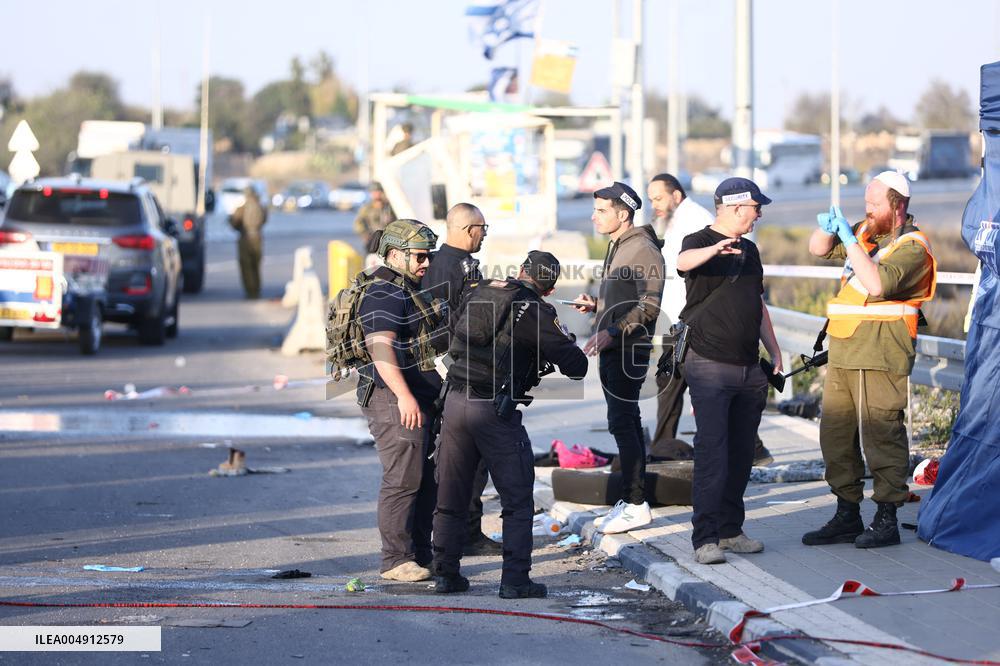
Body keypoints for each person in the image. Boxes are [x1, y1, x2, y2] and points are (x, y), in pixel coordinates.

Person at [432, 251, 588, 598]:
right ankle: (515, 580)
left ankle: (446, 574)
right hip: (493, 412)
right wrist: (563, 339)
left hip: (454, 402)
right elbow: (577, 366)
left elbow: (450, 334)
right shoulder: (534, 310)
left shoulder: (481, 291)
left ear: (520, 271)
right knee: (517, 499)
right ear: (550, 289)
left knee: (451, 494)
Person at [802, 171, 936, 549]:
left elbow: (877, 285)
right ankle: (847, 513)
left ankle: (887, 517)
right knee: (836, 437)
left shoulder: (913, 248)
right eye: (866, 204)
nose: (867, 210)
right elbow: (817, 249)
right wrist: (831, 230)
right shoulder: (865, 234)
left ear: (898, 206)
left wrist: (850, 240)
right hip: (844, 350)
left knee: (882, 435)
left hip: (881, 353)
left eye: (875, 204)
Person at [675, 177, 782, 565]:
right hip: (707, 364)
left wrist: (773, 349)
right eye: (756, 207)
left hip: (749, 368)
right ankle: (705, 539)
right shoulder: (697, 241)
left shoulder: (751, 250)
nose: (759, 214)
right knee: (712, 453)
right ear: (736, 207)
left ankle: (731, 530)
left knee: (740, 455)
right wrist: (714, 250)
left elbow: (758, 304)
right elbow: (682, 263)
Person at [573, 182, 665, 535]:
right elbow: (625, 300)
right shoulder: (619, 245)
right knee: (619, 424)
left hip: (628, 349)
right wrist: (597, 307)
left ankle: (638, 503)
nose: (594, 216)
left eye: (601, 210)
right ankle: (629, 499)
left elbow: (650, 305)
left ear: (622, 213)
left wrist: (611, 331)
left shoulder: (642, 248)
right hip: (614, 347)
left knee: (625, 424)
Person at [357, 219, 444, 582]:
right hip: (393, 398)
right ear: (394, 255)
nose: (426, 264)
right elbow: (380, 348)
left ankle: (419, 554)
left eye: (428, 256)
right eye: (419, 257)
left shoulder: (406, 288)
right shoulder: (384, 292)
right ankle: (394, 561)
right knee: (403, 479)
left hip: (414, 398)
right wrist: (405, 396)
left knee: (424, 479)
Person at [419, 203, 500, 557]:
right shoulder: (457, 268)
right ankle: (463, 532)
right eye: (483, 228)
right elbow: (445, 326)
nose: (484, 234)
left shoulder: (437, 262)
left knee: (456, 457)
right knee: (471, 456)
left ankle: (452, 532)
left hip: (443, 373)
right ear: (470, 229)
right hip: (453, 375)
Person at [647, 173, 713, 460]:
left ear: (676, 195)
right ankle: (662, 447)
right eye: (651, 200)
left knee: (699, 387)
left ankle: (751, 447)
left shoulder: (696, 218)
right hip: (672, 319)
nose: (655, 205)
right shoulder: (671, 221)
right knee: (668, 384)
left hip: (691, 322)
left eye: (659, 198)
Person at [228, 185, 268, 299]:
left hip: (245, 239)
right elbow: (264, 220)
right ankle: (257, 289)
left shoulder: (242, 208)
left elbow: (235, 222)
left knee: (246, 266)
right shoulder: (260, 207)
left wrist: (231, 220)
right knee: (256, 265)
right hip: (258, 237)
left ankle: (250, 291)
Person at [353, 182, 397, 252]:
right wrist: (365, 235)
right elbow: (358, 222)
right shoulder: (367, 208)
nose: (377, 194)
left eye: (379, 191)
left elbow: (397, 222)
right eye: (374, 192)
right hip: (372, 240)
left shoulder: (389, 207)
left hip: (388, 241)